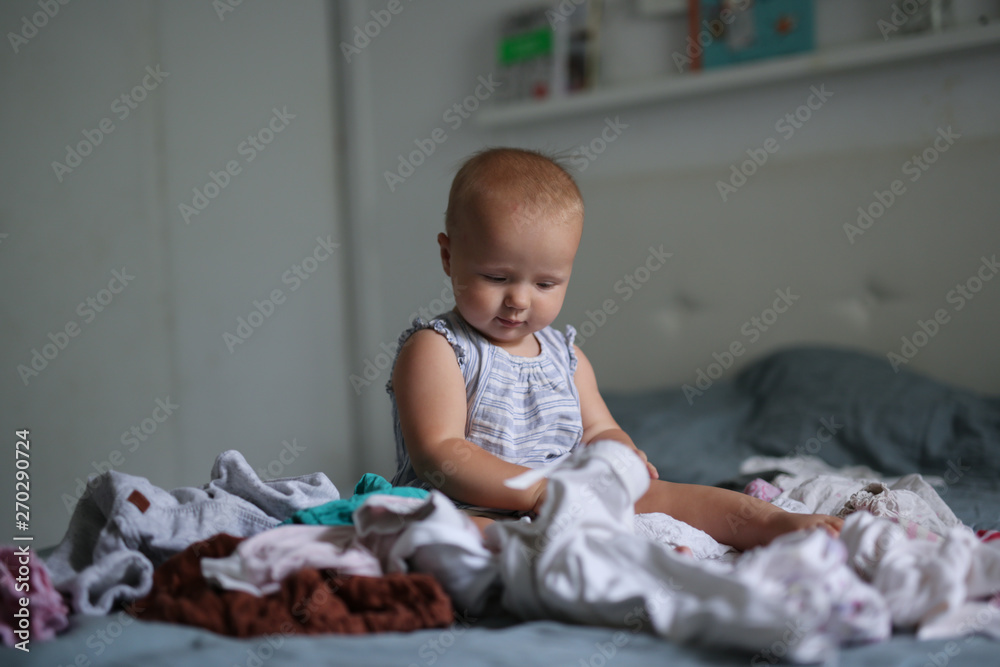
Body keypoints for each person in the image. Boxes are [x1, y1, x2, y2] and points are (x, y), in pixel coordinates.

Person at [387, 147, 842, 550]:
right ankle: (577, 559)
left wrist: (623, 456)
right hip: (473, 505)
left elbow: (600, 429)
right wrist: (536, 492)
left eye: (546, 283)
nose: (520, 300)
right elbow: (440, 453)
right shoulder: (439, 349)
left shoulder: (568, 359)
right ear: (449, 257)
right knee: (449, 534)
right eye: (496, 277)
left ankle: (774, 523)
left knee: (670, 496)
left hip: (570, 498)